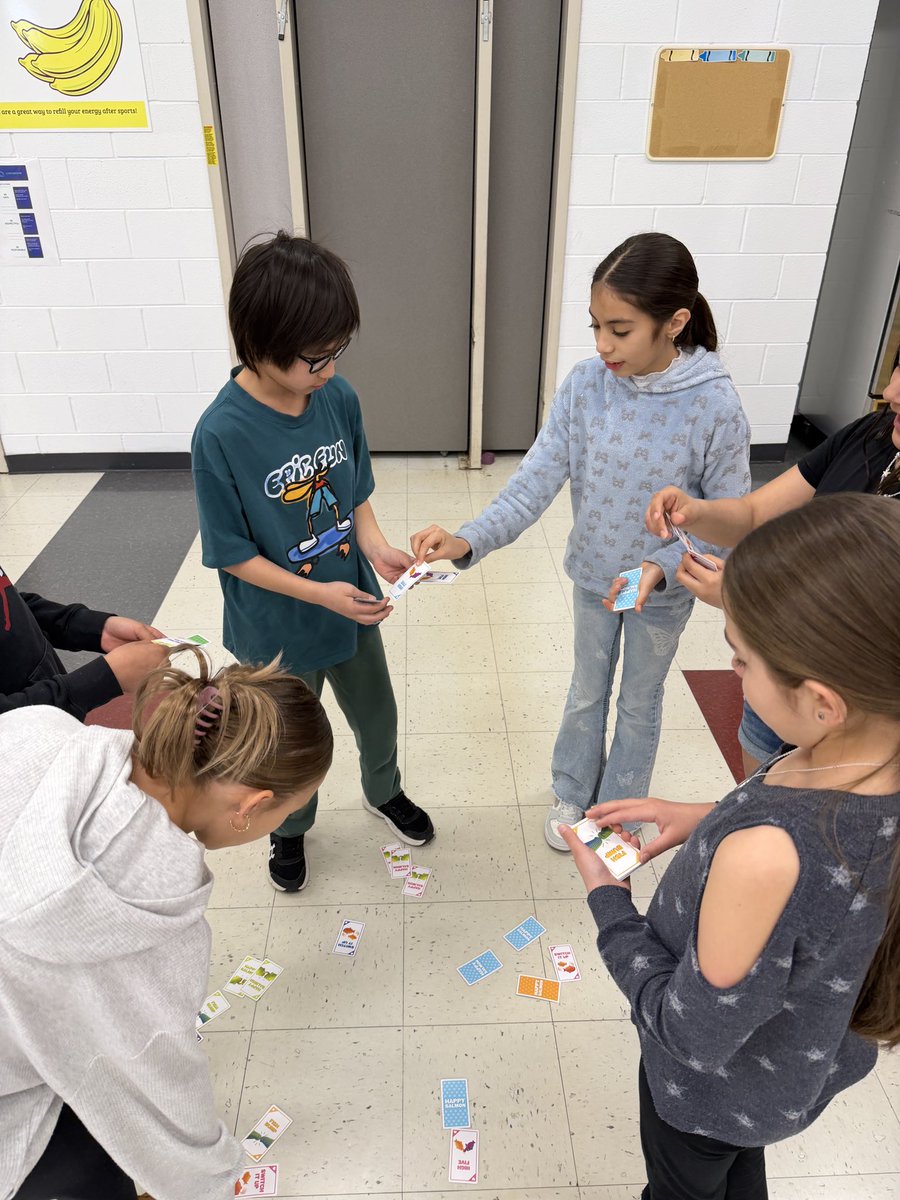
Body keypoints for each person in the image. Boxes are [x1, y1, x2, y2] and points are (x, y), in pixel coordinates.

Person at [562, 492, 900, 1200]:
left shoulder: (766, 855)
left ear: (822, 701)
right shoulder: (865, 755)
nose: (734, 676)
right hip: (790, 1071)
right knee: (737, 1166)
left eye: (740, 660)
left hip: (708, 1095)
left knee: (684, 1186)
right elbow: (817, 857)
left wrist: (608, 902)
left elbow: (692, 1036)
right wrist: (707, 817)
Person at [410, 232, 750, 849]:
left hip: (660, 593)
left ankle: (620, 808)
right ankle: (573, 788)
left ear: (674, 322)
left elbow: (727, 522)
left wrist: (659, 568)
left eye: (620, 330)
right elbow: (530, 485)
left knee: (639, 701)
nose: (602, 345)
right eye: (595, 325)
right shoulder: (586, 385)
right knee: (587, 688)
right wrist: (466, 541)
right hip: (597, 578)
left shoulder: (715, 405)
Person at [1, 648, 333, 1200]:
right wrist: (208, 1178)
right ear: (251, 805)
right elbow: (153, 1080)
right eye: (287, 811)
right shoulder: (144, 917)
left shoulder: (36, 726)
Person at [191, 232, 435, 893]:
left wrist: (377, 548)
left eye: (336, 353)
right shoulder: (221, 433)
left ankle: (383, 792)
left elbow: (354, 493)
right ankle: (291, 830)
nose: (327, 370)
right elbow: (232, 554)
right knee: (287, 746)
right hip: (274, 632)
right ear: (260, 343)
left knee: (376, 715)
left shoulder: (337, 398)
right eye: (313, 358)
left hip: (350, 609)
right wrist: (319, 594)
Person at [646, 344, 900, 776]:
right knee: (761, 789)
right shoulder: (873, 433)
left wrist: (744, 600)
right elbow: (754, 513)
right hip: (781, 681)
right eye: (897, 369)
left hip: (857, 727)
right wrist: (697, 511)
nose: (890, 392)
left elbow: (867, 624)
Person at [0, 563, 168, 717]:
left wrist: (93, 627)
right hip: (31, 738)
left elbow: (10, 602)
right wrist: (99, 680)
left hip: (57, 716)